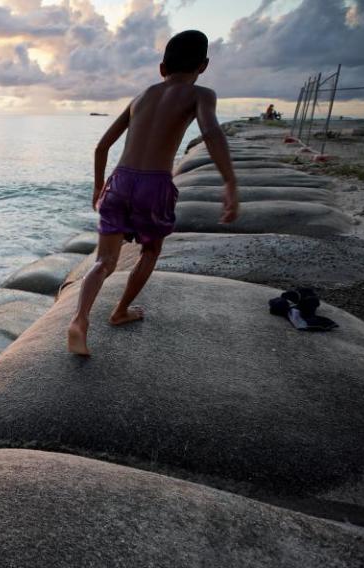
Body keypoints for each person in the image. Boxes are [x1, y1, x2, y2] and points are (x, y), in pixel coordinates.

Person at [67, 30, 239, 357]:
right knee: (150, 251)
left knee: (103, 261)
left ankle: (79, 319)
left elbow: (102, 146)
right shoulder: (201, 94)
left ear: (162, 69)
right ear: (203, 65)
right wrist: (229, 181)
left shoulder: (141, 96)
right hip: (154, 184)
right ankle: (120, 311)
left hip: (119, 181)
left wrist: (98, 185)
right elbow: (212, 131)